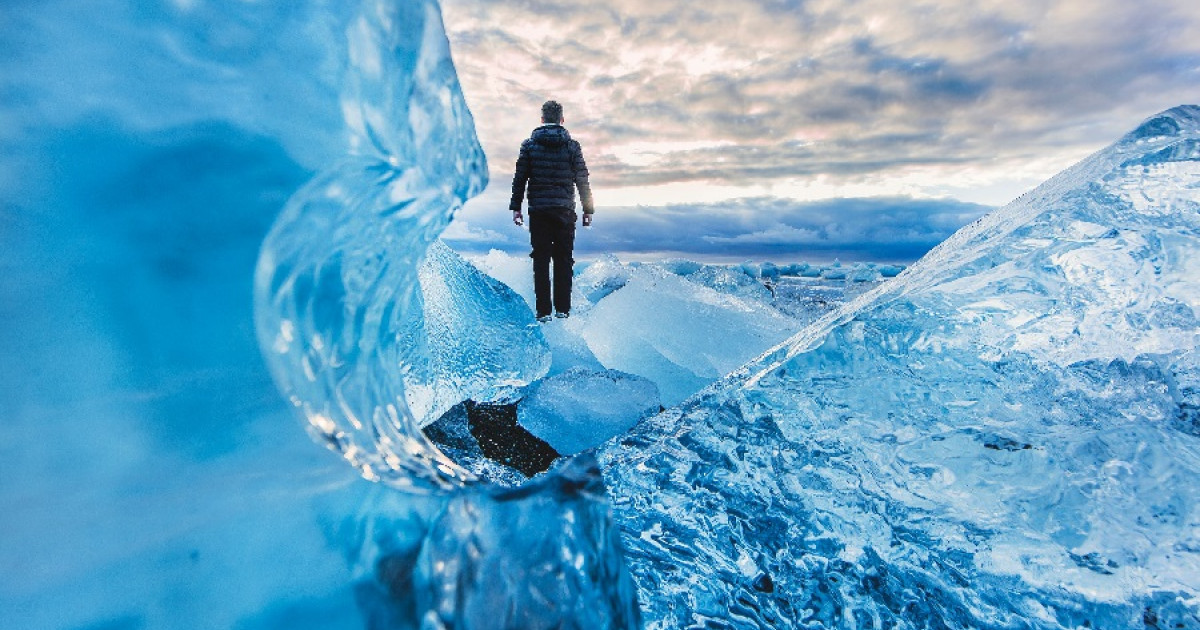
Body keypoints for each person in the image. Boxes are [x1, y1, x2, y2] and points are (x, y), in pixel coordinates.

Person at [510, 100, 594, 322]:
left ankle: (543, 312)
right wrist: (588, 209)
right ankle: (563, 310)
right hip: (565, 210)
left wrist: (516, 207)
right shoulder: (572, 146)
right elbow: (582, 179)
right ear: (562, 120)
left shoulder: (529, 145)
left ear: (542, 119)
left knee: (540, 260)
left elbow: (520, 178)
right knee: (564, 260)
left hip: (539, 210)